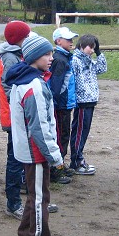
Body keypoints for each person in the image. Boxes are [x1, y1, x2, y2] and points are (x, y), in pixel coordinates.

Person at [5, 35, 67, 236]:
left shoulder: (24, 81)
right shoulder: (33, 86)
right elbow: (40, 127)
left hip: (29, 149)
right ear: (33, 57)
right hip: (36, 151)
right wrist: (55, 156)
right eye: (47, 54)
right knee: (41, 198)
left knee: (34, 195)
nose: (51, 58)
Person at [0, 20, 32, 220]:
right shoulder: (10, 57)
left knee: (22, 157)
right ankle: (13, 203)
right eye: (25, 36)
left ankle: (27, 197)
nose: (28, 38)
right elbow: (10, 86)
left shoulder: (17, 53)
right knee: (15, 159)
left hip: (18, 114)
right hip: (14, 116)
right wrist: (24, 103)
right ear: (17, 38)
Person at [69, 34, 107, 175]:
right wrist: (82, 96)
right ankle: (76, 161)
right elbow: (78, 82)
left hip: (90, 100)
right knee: (79, 132)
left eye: (94, 48)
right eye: (90, 47)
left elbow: (102, 69)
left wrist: (99, 53)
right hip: (82, 102)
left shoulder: (89, 60)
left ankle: (79, 158)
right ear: (81, 45)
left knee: (84, 132)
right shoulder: (76, 60)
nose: (92, 50)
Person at [49, 27, 79, 181]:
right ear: (58, 41)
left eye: (71, 39)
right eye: (68, 39)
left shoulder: (66, 57)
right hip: (61, 105)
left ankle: (60, 164)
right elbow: (56, 86)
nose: (71, 41)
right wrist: (54, 104)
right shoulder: (60, 60)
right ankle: (56, 169)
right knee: (61, 135)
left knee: (64, 134)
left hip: (66, 103)